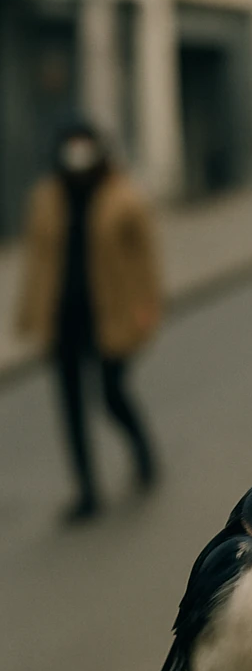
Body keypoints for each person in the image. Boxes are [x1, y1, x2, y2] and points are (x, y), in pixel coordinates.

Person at [16, 120, 161, 522]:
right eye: (70, 146)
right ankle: (86, 491)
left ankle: (143, 452)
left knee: (112, 393)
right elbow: (37, 260)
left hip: (110, 314)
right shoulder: (47, 196)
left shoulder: (122, 194)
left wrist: (147, 303)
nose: (77, 155)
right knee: (70, 406)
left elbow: (145, 256)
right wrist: (27, 313)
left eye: (84, 146)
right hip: (63, 315)